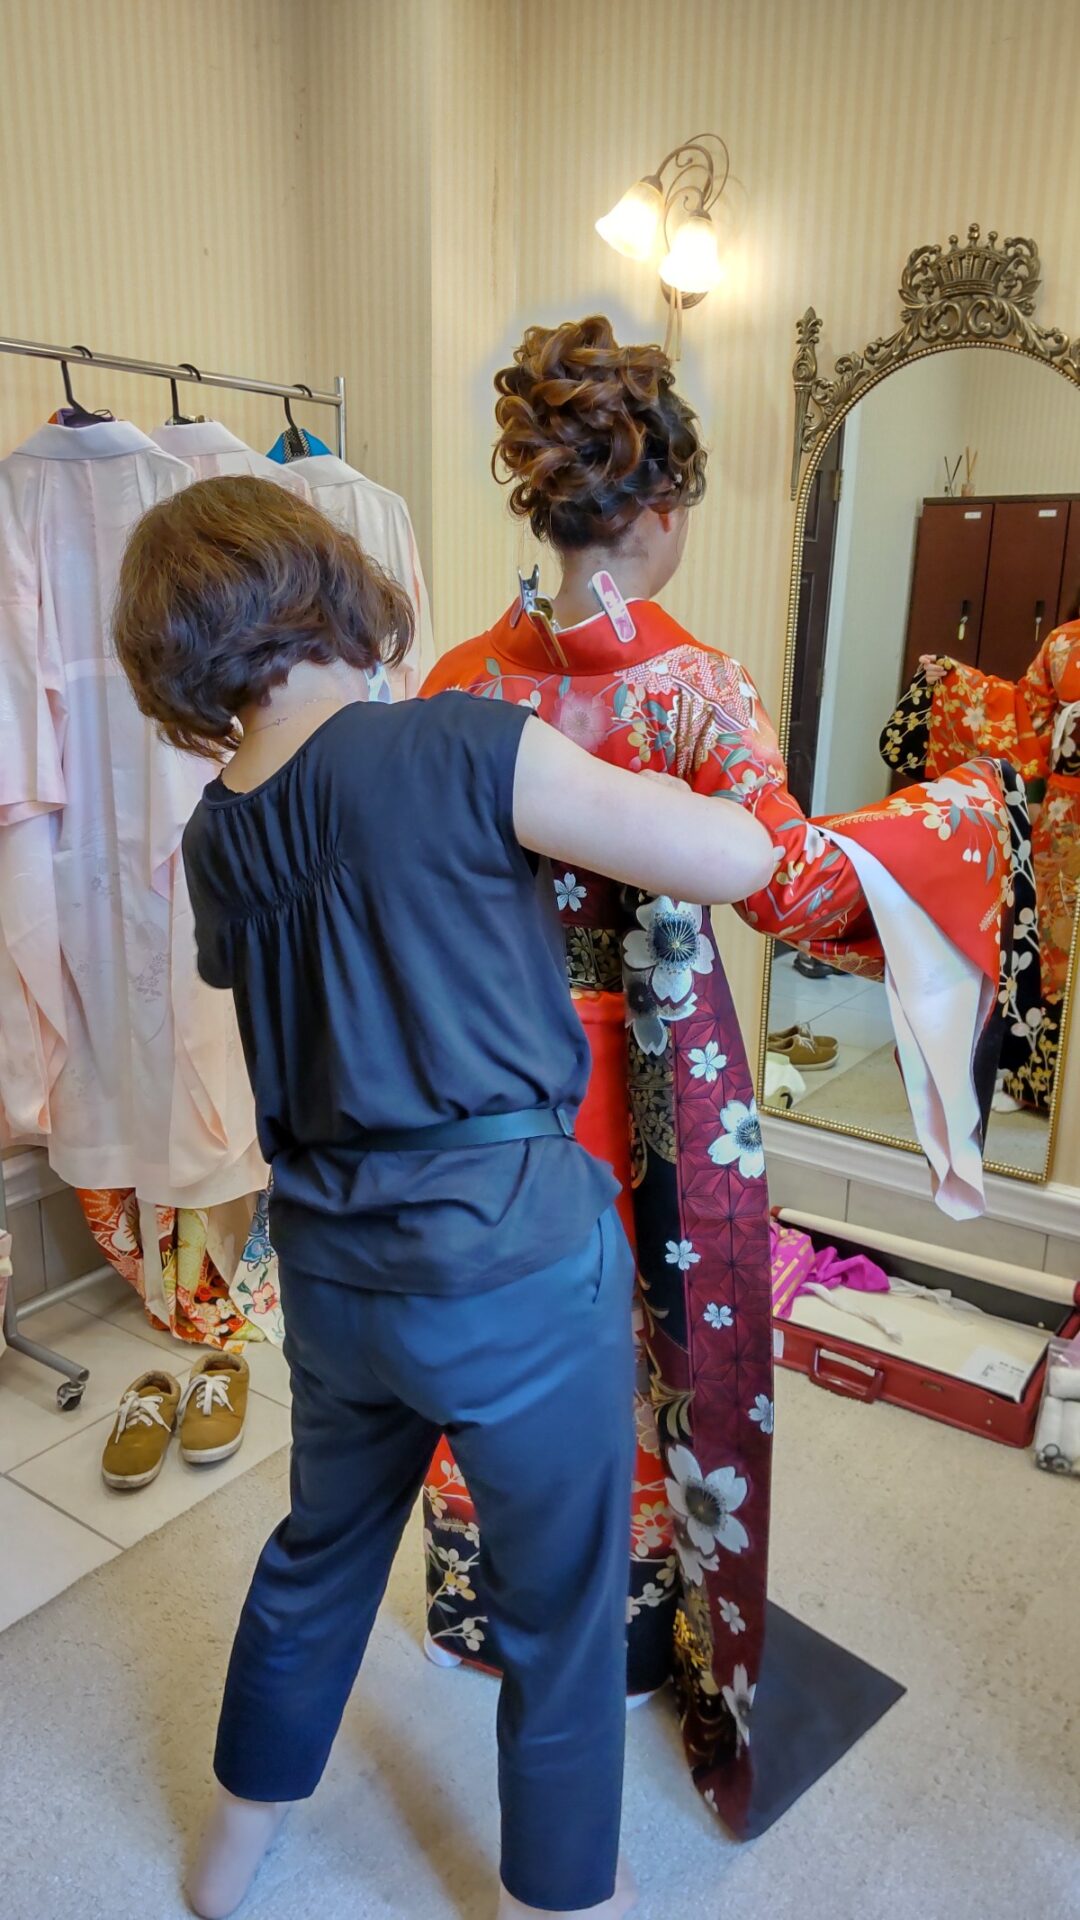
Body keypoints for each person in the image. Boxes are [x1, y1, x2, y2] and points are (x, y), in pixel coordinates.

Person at [110, 473, 776, 1920]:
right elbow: (738, 854)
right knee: (560, 1603)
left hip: (334, 1274)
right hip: (511, 1258)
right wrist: (673, 791)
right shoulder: (459, 740)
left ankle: (228, 1855)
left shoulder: (217, 834)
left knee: (319, 1557)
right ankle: (559, 1891)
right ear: (326, 591)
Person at [420, 316, 1022, 1836]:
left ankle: (485, 1608)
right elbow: (795, 888)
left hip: (484, 1072)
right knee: (662, 1339)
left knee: (495, 1323)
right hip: (649, 1075)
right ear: (664, 507)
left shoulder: (456, 683)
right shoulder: (696, 692)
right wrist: (964, 820)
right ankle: (633, 1639)